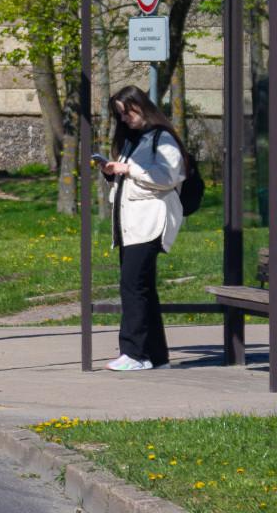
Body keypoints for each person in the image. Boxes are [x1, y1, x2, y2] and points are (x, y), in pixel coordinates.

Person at [101, 86, 187, 371]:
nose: (124, 119)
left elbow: (167, 176)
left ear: (141, 106)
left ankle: (134, 353)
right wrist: (112, 173)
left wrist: (129, 170)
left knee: (133, 287)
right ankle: (157, 356)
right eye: (120, 115)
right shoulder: (135, 140)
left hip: (149, 223)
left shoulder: (163, 139)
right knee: (143, 288)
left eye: (127, 112)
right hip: (131, 225)